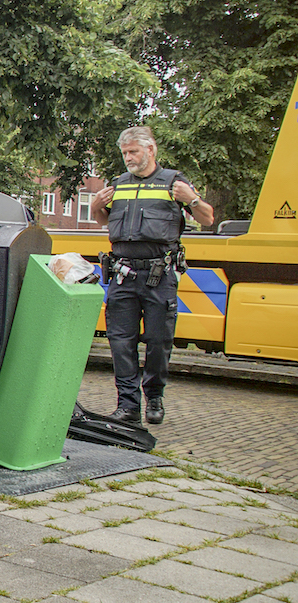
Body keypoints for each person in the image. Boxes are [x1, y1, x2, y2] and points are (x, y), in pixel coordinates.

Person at [91, 125, 213, 425]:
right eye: (124, 153)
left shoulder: (174, 181)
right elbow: (104, 221)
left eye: (133, 151)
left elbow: (208, 219)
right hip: (123, 275)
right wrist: (96, 206)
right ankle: (128, 405)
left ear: (151, 150)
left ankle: (154, 397)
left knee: (159, 341)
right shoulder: (118, 183)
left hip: (159, 276)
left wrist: (192, 199)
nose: (128, 158)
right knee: (121, 342)